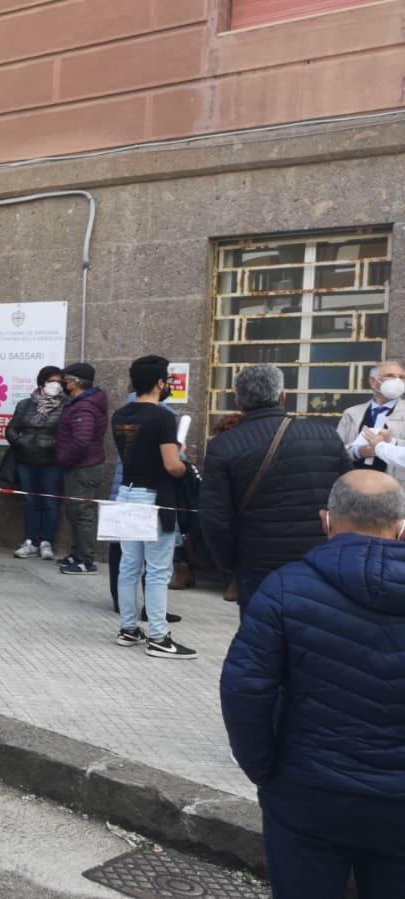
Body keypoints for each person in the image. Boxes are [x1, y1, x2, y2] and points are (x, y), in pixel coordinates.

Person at [220, 470, 405, 898]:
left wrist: (265, 769)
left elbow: (243, 690)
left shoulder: (286, 588)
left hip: (308, 793)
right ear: (400, 525)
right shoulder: (287, 588)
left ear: (326, 520)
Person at [199, 364, 349, 612]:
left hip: (256, 560)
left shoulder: (223, 446)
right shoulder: (325, 435)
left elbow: (215, 517)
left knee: (260, 634)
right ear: (283, 396)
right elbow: (348, 495)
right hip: (317, 557)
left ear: (238, 402)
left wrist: (229, 562)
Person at [109, 355, 194, 659]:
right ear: (160, 383)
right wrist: (184, 461)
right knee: (158, 571)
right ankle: (159, 636)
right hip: (154, 498)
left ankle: (128, 628)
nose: (169, 384)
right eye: (167, 379)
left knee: (129, 566)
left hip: (126, 494)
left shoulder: (120, 414)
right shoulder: (162, 417)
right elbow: (171, 466)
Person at [5, 366, 66, 560]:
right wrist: (20, 442)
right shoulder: (25, 405)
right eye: (52, 381)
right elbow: (11, 429)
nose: (56, 385)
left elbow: (67, 434)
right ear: (42, 383)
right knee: (31, 501)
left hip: (51, 462)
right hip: (26, 460)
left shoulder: (66, 406)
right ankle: (30, 541)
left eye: (59, 381)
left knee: (50, 502)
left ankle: (46, 542)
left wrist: (51, 444)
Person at [55, 362, 108, 575]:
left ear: (76, 383)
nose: (63, 386)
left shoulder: (84, 407)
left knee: (81, 513)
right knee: (74, 512)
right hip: (81, 466)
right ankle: (77, 553)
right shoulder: (82, 403)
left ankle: (86, 560)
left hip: (83, 467)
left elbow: (81, 441)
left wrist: (64, 459)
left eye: (66, 381)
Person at [336, 361, 405, 481]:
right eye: (391, 376)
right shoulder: (352, 413)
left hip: (395, 487)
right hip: (355, 483)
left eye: (402, 377)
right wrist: (358, 452)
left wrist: (391, 442)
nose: (397, 381)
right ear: (373, 382)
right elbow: (336, 449)